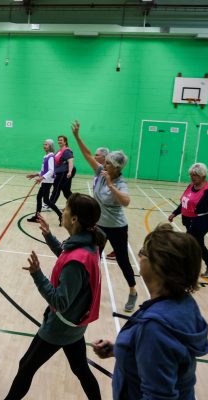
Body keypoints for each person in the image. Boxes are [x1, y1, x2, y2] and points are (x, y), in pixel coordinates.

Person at [4, 193, 105, 400]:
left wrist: (37, 274)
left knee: (26, 366)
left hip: (60, 327)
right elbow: (67, 256)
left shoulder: (78, 259)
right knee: (80, 369)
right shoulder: (88, 244)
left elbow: (60, 301)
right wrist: (49, 236)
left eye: (66, 208)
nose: (63, 211)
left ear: (75, 218)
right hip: (75, 325)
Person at [92, 224, 208, 400]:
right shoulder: (185, 304)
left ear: (159, 266)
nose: (139, 256)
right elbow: (166, 357)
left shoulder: (156, 328)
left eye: (143, 252)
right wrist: (121, 350)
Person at [71, 120, 138, 311]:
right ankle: (87, 290)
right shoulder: (100, 171)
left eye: (108, 162)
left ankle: (132, 291)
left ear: (117, 167)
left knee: (123, 260)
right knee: (93, 257)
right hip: (98, 225)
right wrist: (77, 136)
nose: (103, 163)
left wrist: (110, 186)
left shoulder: (120, 183)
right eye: (105, 161)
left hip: (117, 227)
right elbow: (86, 154)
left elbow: (126, 201)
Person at [168, 162, 208, 278]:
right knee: (199, 245)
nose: (192, 177)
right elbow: (184, 202)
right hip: (190, 220)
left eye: (194, 175)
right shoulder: (191, 186)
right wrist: (175, 213)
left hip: (202, 221)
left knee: (187, 243)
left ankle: (182, 269)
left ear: (202, 176)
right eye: (191, 175)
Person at [26, 139, 56, 223]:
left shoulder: (51, 156)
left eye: (46, 144)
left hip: (48, 181)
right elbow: (44, 170)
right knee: (43, 199)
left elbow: (51, 171)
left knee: (43, 199)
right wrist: (35, 175)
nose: (44, 146)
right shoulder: (46, 156)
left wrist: (42, 178)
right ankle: (37, 217)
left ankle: (60, 216)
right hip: (45, 180)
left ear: (50, 146)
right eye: (44, 144)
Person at [49, 134, 76, 226]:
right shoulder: (59, 151)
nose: (59, 141)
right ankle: (76, 204)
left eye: (61, 140)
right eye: (58, 140)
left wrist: (69, 171)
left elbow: (71, 161)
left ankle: (51, 203)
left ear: (65, 141)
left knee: (57, 188)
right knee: (66, 191)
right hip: (60, 172)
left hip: (64, 173)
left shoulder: (66, 150)